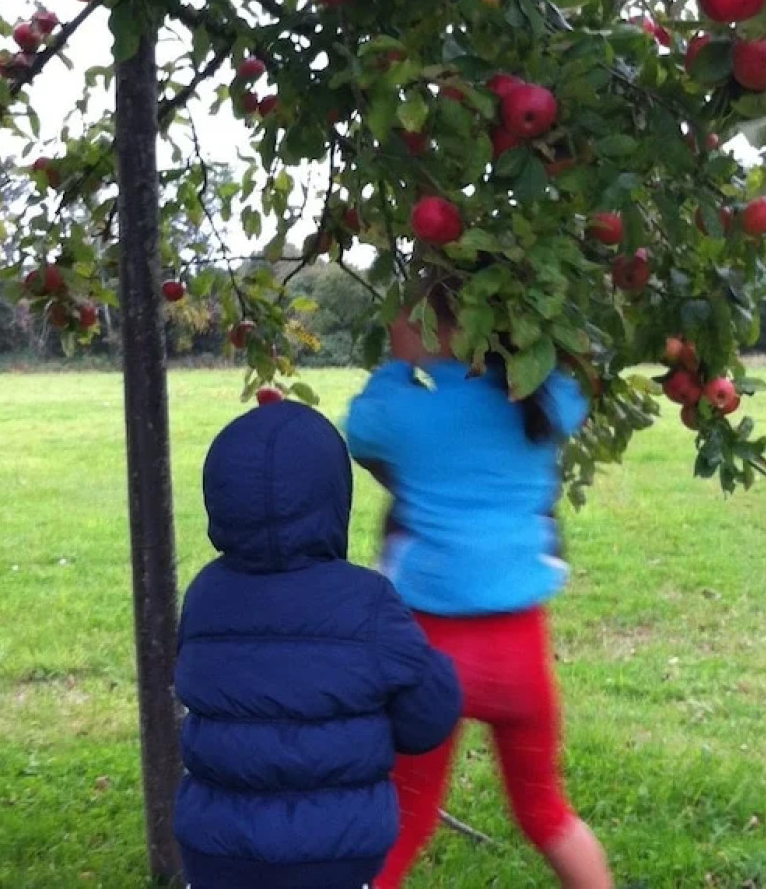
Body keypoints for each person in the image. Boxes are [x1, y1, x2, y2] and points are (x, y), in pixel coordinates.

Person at [346, 275, 614, 889]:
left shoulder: (406, 409)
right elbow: (572, 394)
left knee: (402, 821)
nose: (392, 327)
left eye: (401, 317)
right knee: (546, 812)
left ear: (436, 331)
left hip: (431, 660)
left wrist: (396, 369)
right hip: (520, 657)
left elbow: (359, 428)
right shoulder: (538, 401)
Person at [173, 399, 463, 889]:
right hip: (336, 856)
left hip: (216, 854)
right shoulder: (367, 602)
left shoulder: (204, 596)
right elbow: (428, 716)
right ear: (334, 497)